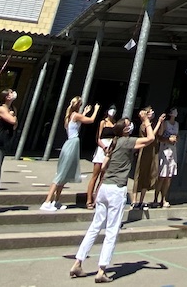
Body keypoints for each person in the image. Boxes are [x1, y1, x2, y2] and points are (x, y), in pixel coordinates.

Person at [70, 113, 165, 282]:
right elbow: (150, 138)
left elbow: (105, 165)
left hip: (105, 187)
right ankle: (101, 270)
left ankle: (78, 262)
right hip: (117, 189)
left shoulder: (113, 143)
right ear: (125, 129)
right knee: (112, 230)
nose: (130, 126)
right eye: (128, 125)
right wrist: (146, 121)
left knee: (95, 226)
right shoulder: (126, 141)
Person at [43, 97, 98, 212]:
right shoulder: (75, 115)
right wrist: (96, 110)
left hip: (70, 143)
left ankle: (56, 201)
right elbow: (90, 120)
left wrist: (84, 113)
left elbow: (78, 121)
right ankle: (47, 201)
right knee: (60, 174)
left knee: (65, 175)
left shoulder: (70, 116)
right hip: (72, 144)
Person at [86, 106, 117, 208]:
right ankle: (89, 199)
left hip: (110, 150)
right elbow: (98, 138)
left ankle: (97, 198)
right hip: (102, 148)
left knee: (103, 177)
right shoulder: (103, 122)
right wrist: (104, 147)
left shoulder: (115, 124)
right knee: (95, 175)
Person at [131, 107, 160, 209]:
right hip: (144, 151)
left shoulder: (151, 124)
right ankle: (134, 200)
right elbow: (151, 135)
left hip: (152, 151)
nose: (152, 113)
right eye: (150, 111)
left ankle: (141, 200)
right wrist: (159, 123)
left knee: (148, 174)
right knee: (140, 174)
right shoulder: (144, 125)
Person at [153, 108, 180, 207]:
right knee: (162, 176)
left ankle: (164, 198)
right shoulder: (165, 123)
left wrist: (176, 139)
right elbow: (159, 136)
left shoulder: (176, 124)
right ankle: (156, 198)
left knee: (169, 177)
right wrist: (167, 139)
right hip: (165, 149)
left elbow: (178, 135)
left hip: (173, 150)